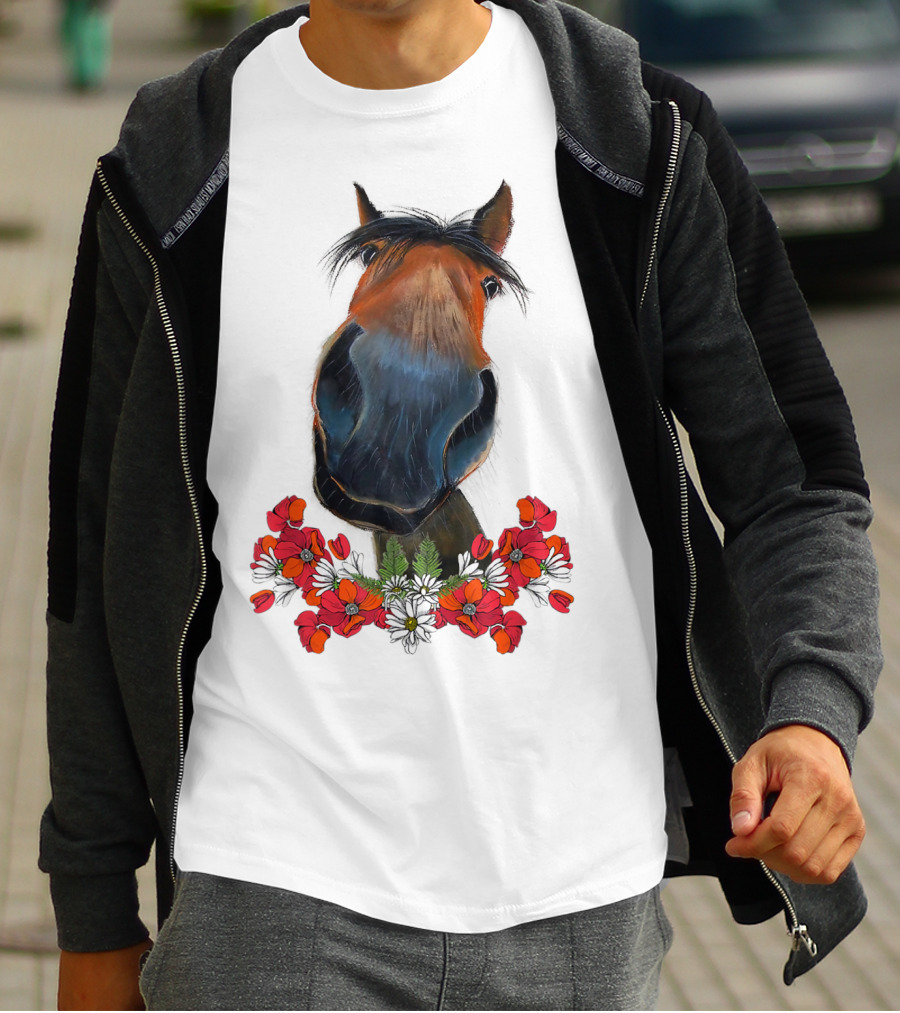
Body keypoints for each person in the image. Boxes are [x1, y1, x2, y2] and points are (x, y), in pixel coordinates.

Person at [41, 0, 881, 1008]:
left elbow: (796, 479)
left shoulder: (634, 136)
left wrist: (813, 713)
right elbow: (89, 556)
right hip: (266, 882)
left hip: (577, 884)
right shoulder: (174, 165)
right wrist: (93, 910)